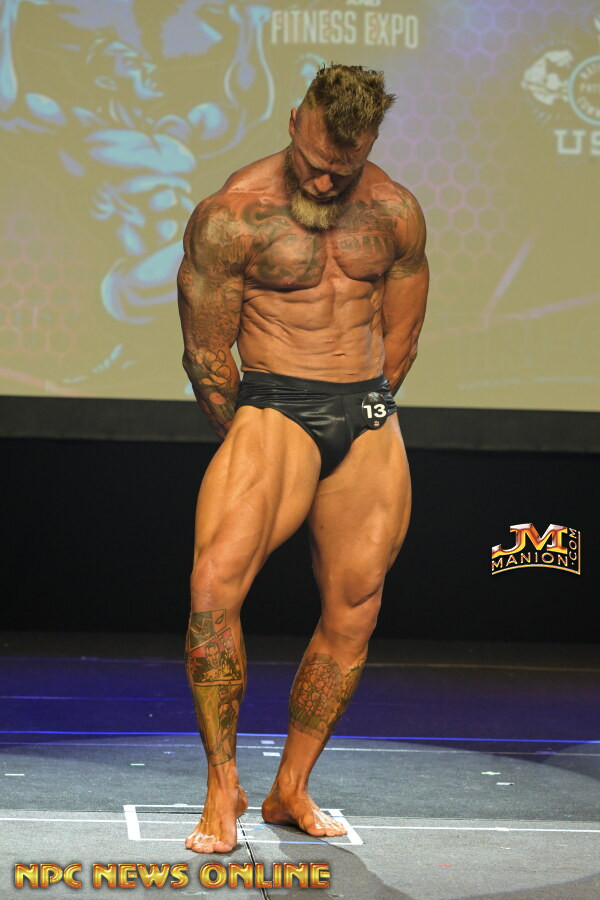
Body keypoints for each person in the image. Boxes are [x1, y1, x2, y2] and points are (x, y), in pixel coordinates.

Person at [177, 63, 429, 854]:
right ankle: (223, 785)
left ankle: (291, 786)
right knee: (214, 586)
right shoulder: (233, 215)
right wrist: (254, 431)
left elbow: (401, 337)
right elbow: (207, 355)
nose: (325, 179)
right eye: (316, 160)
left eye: (342, 169)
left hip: (364, 409)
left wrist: (368, 411)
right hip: (276, 401)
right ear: (295, 121)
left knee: (356, 606)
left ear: (370, 146)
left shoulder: (394, 213)